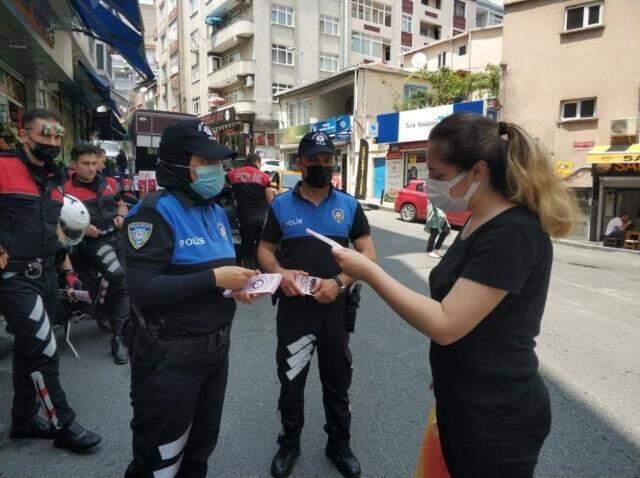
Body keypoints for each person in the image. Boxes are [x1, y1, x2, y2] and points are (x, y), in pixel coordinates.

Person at [331, 114, 578, 478]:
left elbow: (448, 323)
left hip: (497, 418)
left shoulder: (512, 234)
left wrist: (368, 270)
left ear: (478, 172)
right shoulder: (477, 219)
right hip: (464, 399)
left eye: (438, 175)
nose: (430, 184)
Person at [123, 120, 259, 478]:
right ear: (177, 164)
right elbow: (143, 288)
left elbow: (212, 278)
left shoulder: (214, 211)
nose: (217, 169)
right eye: (206, 161)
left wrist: (235, 286)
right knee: (160, 459)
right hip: (169, 357)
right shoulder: (153, 213)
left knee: (199, 451)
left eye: (217, 162)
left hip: (215, 352)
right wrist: (214, 277)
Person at [258, 132, 376, 478]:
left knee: (337, 381)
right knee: (291, 379)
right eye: (315, 160)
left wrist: (339, 283)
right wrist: (280, 273)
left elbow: (368, 255)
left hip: (335, 310)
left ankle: (339, 444)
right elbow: (264, 251)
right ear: (301, 163)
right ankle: (289, 443)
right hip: (295, 310)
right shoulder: (280, 205)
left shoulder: (349, 206)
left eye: (328, 160)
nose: (323, 166)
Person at [0, 109, 101, 452]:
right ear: (24, 133)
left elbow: (54, 233)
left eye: (58, 136)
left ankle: (24, 420)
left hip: (45, 273)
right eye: (45, 134)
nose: (53, 142)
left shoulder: (55, 177)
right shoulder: (3, 166)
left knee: (29, 351)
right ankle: (63, 424)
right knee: (45, 349)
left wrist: (68, 271)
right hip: (13, 277)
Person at [63, 144, 130, 364]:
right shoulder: (64, 189)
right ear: (74, 164)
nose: (91, 168)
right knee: (119, 277)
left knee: (125, 281)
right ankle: (118, 339)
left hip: (117, 238)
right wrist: (82, 229)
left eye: (94, 163)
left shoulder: (110, 183)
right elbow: (56, 222)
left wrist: (122, 216)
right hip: (90, 244)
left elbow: (122, 205)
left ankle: (109, 316)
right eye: (85, 163)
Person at [226, 153, 275, 268]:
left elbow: (222, 186)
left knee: (246, 249)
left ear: (246, 161)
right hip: (263, 218)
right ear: (258, 162)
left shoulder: (233, 174)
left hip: (245, 218)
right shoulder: (264, 177)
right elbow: (271, 201)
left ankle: (247, 273)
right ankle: (261, 276)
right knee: (261, 249)